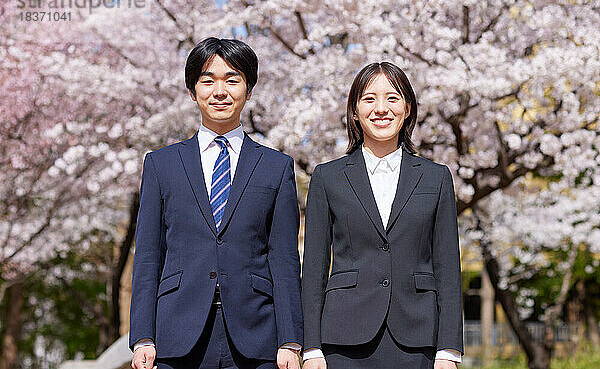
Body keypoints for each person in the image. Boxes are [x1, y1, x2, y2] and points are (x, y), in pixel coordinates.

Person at [129, 37, 303, 369]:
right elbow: (149, 255)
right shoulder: (161, 164)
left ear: (248, 90)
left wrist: (291, 340)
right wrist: (142, 337)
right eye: (207, 81)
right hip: (176, 335)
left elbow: (283, 259)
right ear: (192, 91)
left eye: (232, 80)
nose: (219, 91)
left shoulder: (276, 167)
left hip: (258, 336)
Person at [301, 62, 463, 369]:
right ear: (354, 111)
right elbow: (314, 268)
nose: (381, 109)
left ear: (408, 109)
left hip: (419, 336)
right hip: (342, 338)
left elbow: (448, 268)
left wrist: (449, 349)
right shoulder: (327, 177)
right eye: (369, 99)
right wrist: (310, 348)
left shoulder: (436, 178)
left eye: (392, 98)